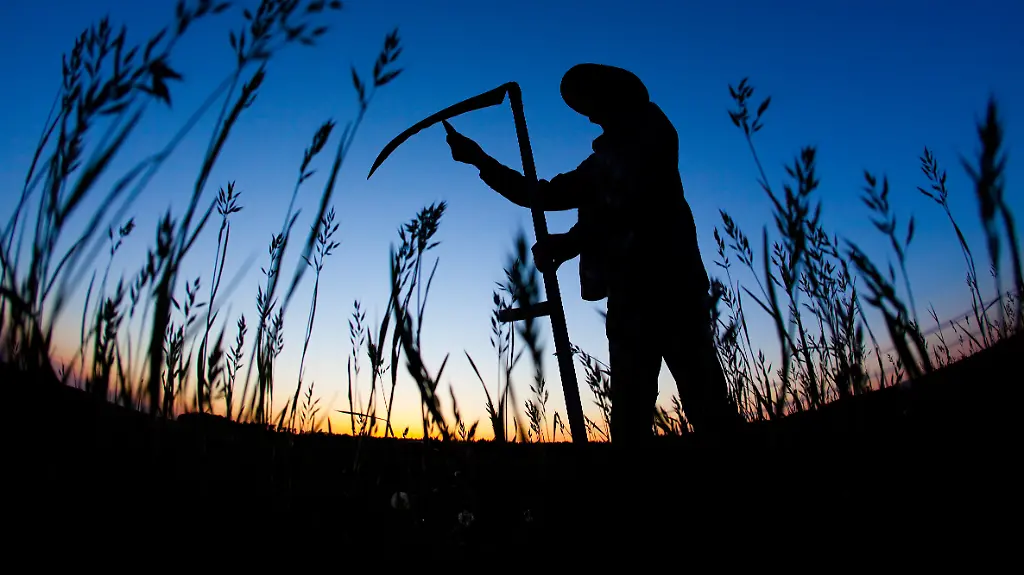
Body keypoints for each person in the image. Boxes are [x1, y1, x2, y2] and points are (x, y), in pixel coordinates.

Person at [444, 63, 743, 444]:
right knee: (633, 419)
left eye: (590, 104)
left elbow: (630, 206)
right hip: (631, 296)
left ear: (613, 99)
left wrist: (569, 242)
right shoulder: (605, 160)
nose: (589, 117)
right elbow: (549, 196)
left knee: (706, 406)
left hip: (669, 290)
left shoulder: (650, 136)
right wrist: (480, 160)